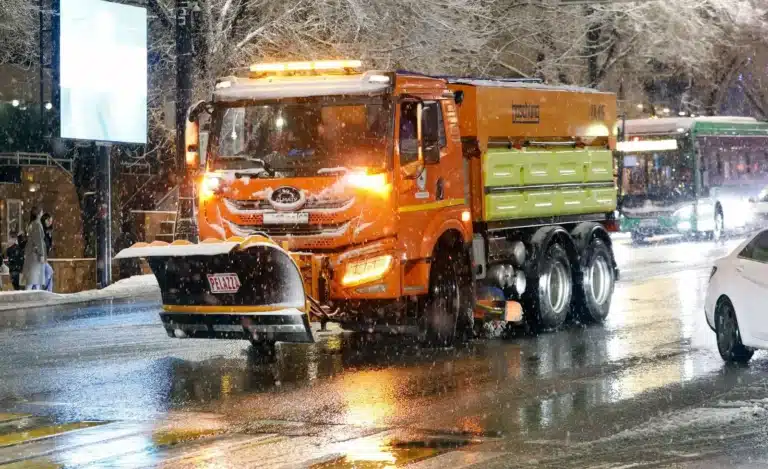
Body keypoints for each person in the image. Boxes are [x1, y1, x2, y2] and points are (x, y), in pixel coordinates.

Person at [22, 207, 46, 290]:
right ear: (38, 214)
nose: (42, 213)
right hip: (35, 255)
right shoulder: (36, 224)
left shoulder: (32, 224)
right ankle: (31, 295)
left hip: (31, 254)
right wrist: (41, 254)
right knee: (34, 279)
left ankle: (31, 294)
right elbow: (38, 240)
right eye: (41, 212)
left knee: (33, 279)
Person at [40, 213, 54, 292]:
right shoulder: (41, 231)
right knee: (48, 272)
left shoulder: (48, 233)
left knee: (49, 272)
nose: (50, 222)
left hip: (43, 258)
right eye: (48, 220)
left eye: (51, 221)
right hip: (39, 258)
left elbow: (49, 245)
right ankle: (43, 290)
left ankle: (48, 291)